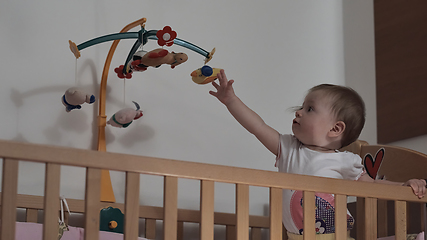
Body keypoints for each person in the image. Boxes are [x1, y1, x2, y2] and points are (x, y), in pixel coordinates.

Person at [209, 69, 426, 239]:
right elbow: (257, 126)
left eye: (310, 109)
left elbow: (372, 185)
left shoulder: (345, 161)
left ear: (335, 129)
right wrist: (231, 101)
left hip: (336, 236)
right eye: (302, 106)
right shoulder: (289, 149)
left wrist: (402, 187)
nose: (298, 111)